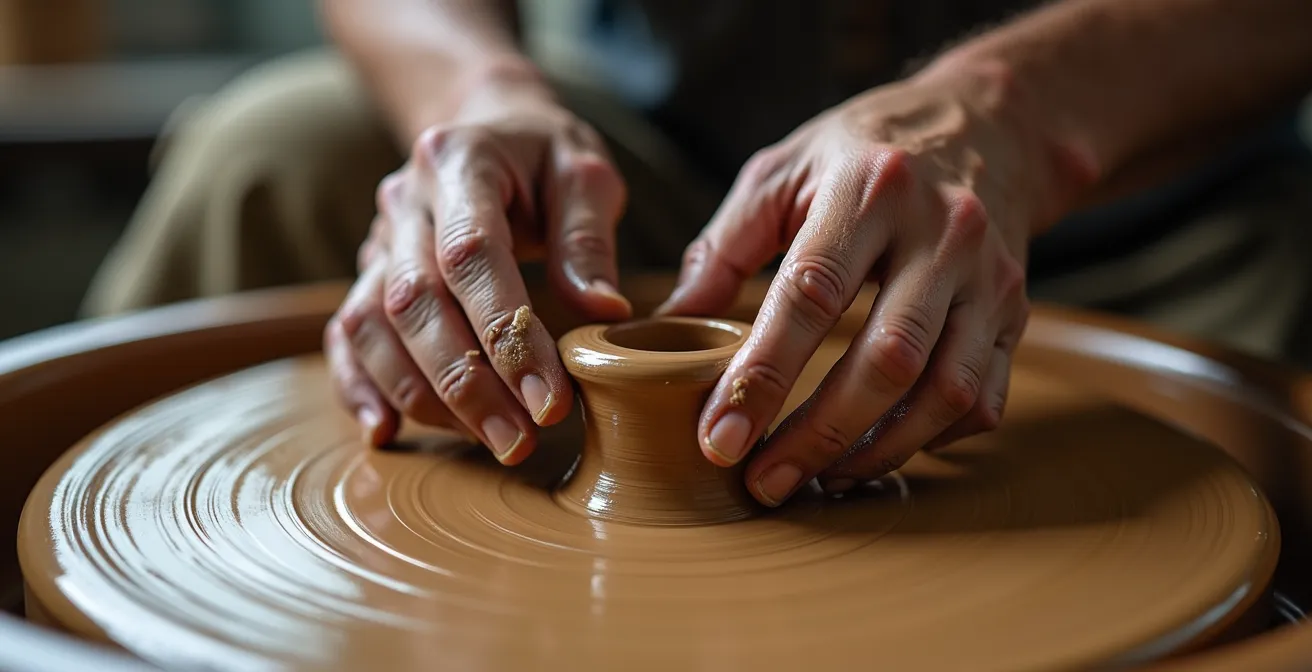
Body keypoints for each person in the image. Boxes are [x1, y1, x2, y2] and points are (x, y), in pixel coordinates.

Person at [84, 0, 1312, 507]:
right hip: (654, 191)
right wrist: (475, 85)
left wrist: (1013, 110)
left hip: (1164, 212)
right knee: (271, 154)